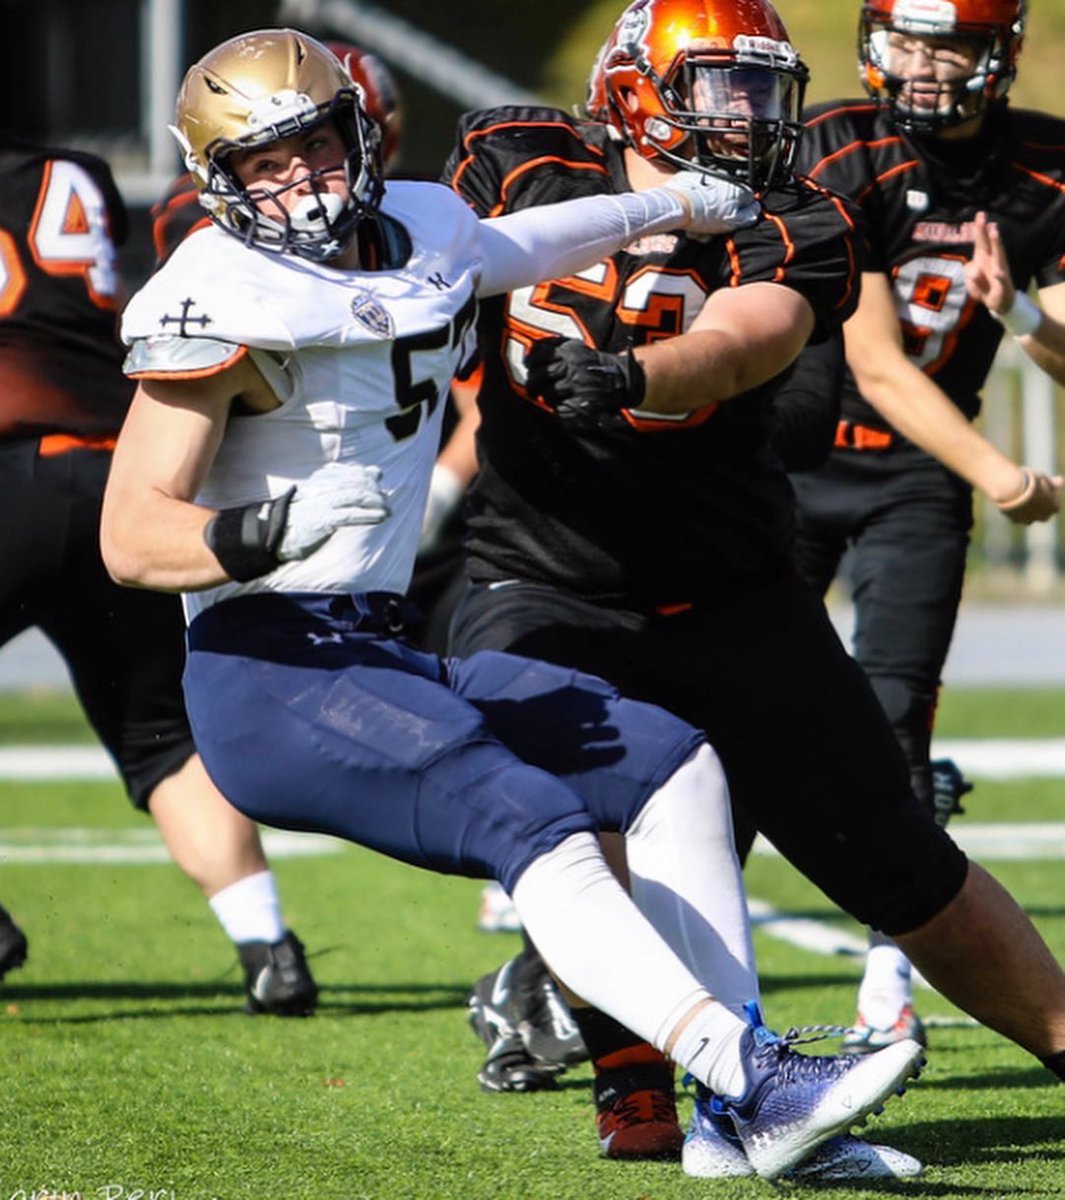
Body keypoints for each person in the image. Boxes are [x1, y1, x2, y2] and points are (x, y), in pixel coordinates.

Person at [97, 28, 926, 1184]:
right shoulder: (218, 296)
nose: (302, 183)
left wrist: (666, 205)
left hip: (379, 649)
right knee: (524, 811)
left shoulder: (426, 227)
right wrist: (255, 533)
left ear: (357, 134)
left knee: (671, 763)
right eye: (264, 166)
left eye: (317, 147)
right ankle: (749, 1070)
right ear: (218, 184)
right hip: (268, 671)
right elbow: (131, 535)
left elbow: (513, 243)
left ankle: (743, 1122)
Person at [439, 0, 1065, 1178]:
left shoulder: (797, 215)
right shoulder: (516, 153)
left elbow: (752, 334)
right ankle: (646, 1095)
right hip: (542, 577)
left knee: (896, 856)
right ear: (633, 88)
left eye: (766, 90)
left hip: (732, 590)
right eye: (721, 88)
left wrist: (634, 372)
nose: (750, 118)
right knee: (579, 820)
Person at [792, 0, 1065, 1053]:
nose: (920, 64)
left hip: (916, 480)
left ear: (997, 54)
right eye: (905, 39)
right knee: (710, 712)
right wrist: (1002, 474)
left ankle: (885, 985)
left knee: (896, 724)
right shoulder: (837, 144)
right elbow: (873, 363)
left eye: (946, 44)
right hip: (790, 465)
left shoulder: (1043, 166)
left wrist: (1026, 314)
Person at [0, 131, 317, 1015]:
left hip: (7, 470)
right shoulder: (78, 175)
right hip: (118, 477)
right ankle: (268, 945)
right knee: (159, 735)